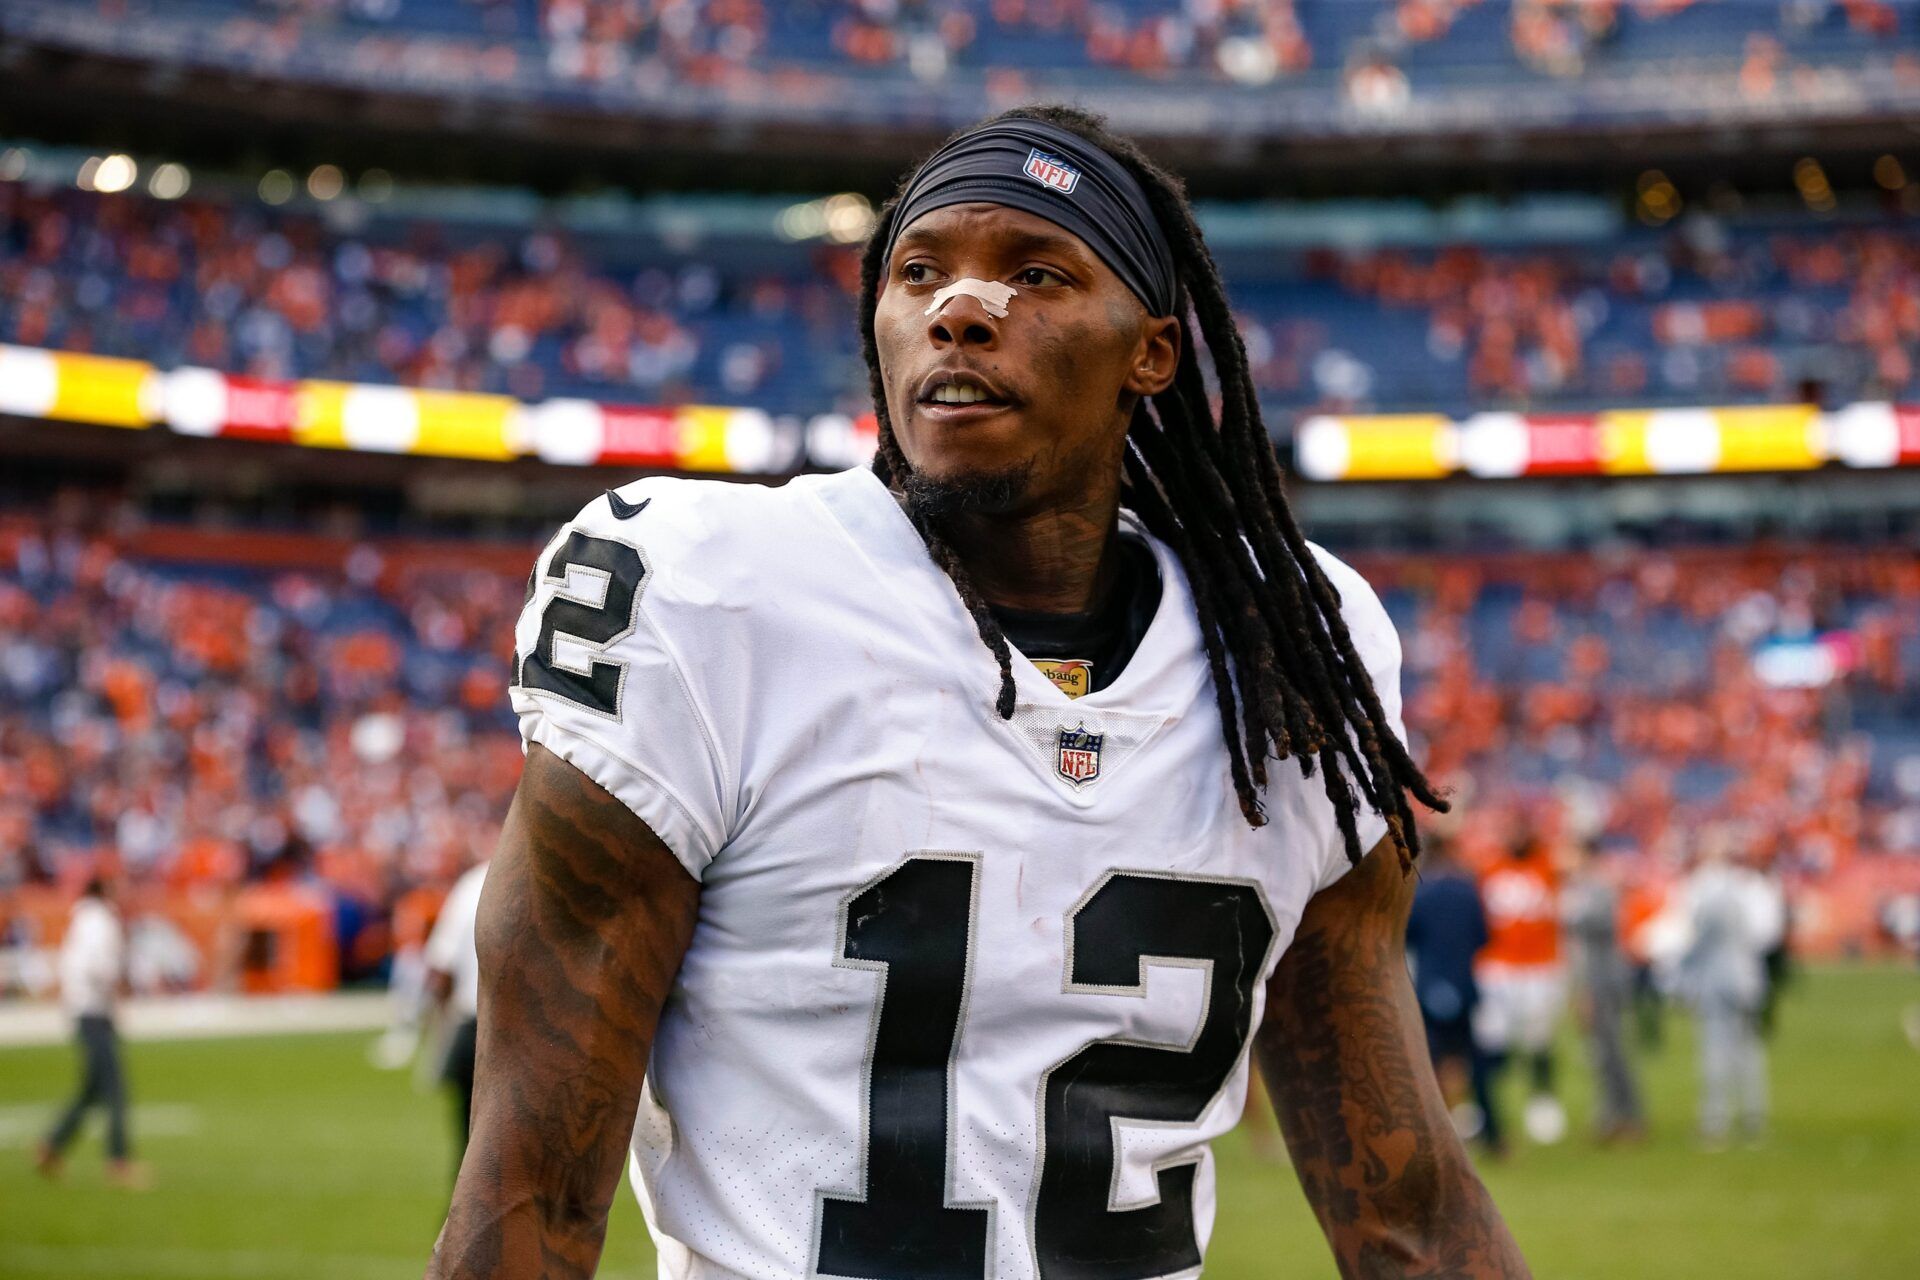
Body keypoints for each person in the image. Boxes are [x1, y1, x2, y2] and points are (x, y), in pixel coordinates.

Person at [429, 106, 1528, 1279]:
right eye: (919, 271)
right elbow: (530, 1198)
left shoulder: (1293, 651)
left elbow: (1406, 1206)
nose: (961, 307)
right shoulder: (711, 595)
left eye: (1037, 272)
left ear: (1150, 352)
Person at [1675, 831, 1785, 1149]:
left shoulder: (1704, 887)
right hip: (1748, 976)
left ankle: (1716, 1120)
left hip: (1715, 978)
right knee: (1749, 1049)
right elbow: (1767, 935)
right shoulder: (1755, 887)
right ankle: (1753, 1118)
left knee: (1715, 1049)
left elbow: (1693, 934)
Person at [35, 878, 147, 1188]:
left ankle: (52, 1145)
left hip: (85, 1009)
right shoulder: (100, 921)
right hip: (94, 1010)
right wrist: (115, 987)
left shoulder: (83, 920)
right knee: (114, 1088)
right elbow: (97, 966)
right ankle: (119, 1160)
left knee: (92, 1089)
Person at [1406, 833, 1503, 1156]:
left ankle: (1435, 1133)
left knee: (1431, 1062)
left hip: (1430, 983)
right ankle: (1491, 1133)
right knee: (1473, 1060)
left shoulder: (1420, 892)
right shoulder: (1467, 889)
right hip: (1465, 982)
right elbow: (1484, 936)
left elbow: (1408, 937)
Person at [1474, 829, 1568, 1145]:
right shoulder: (1490, 868)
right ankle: (1486, 1107)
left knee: (1538, 1039)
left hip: (1538, 967)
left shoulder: (1548, 866)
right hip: (1498, 966)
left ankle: (1542, 1101)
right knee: (1491, 1040)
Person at [1560, 841, 1645, 1144]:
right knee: (1601, 1051)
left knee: (1612, 1051)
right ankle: (1613, 1115)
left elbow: (1598, 927)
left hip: (1603, 980)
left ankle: (1626, 1116)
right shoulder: (1582, 887)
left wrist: (1568, 914)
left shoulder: (1596, 888)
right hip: (1593, 979)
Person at [423, 858, 489, 1177]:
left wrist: (438, 1033)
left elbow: (441, 968)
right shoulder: (546, 873)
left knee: (471, 1147)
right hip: (530, 1034)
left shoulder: (472, 884)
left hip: (472, 1026)